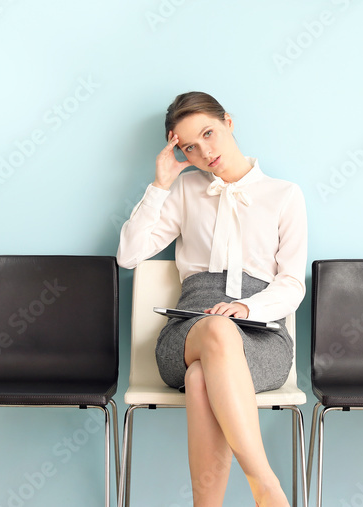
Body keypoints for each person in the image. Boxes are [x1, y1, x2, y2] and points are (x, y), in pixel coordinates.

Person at [117, 91, 307, 507]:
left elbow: (292, 284)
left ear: (229, 123)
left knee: (201, 378)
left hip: (260, 335)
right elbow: (128, 255)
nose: (204, 151)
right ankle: (265, 485)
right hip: (188, 332)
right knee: (215, 332)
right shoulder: (185, 189)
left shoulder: (284, 194)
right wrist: (160, 184)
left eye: (209, 133)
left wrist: (246, 308)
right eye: (190, 146)